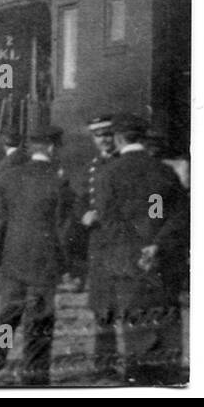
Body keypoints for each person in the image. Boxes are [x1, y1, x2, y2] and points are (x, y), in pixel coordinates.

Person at [90, 113, 188, 385]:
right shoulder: (164, 171)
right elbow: (180, 216)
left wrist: (136, 251)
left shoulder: (109, 173)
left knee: (138, 333)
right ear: (143, 138)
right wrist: (155, 245)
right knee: (166, 326)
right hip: (162, 262)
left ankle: (140, 383)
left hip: (128, 265)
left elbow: (110, 222)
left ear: (119, 138)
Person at [0, 128, 70, 385]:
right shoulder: (58, 181)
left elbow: (0, 222)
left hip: (13, 257)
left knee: (9, 316)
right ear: (52, 149)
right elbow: (62, 228)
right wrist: (66, 264)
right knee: (39, 320)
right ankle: (34, 373)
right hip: (44, 261)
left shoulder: (10, 177)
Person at [77, 114, 121, 377]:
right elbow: (81, 199)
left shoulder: (125, 164)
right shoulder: (92, 166)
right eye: (99, 136)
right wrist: (83, 214)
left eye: (108, 134)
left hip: (121, 243)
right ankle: (105, 364)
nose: (104, 140)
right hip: (99, 245)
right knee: (103, 307)